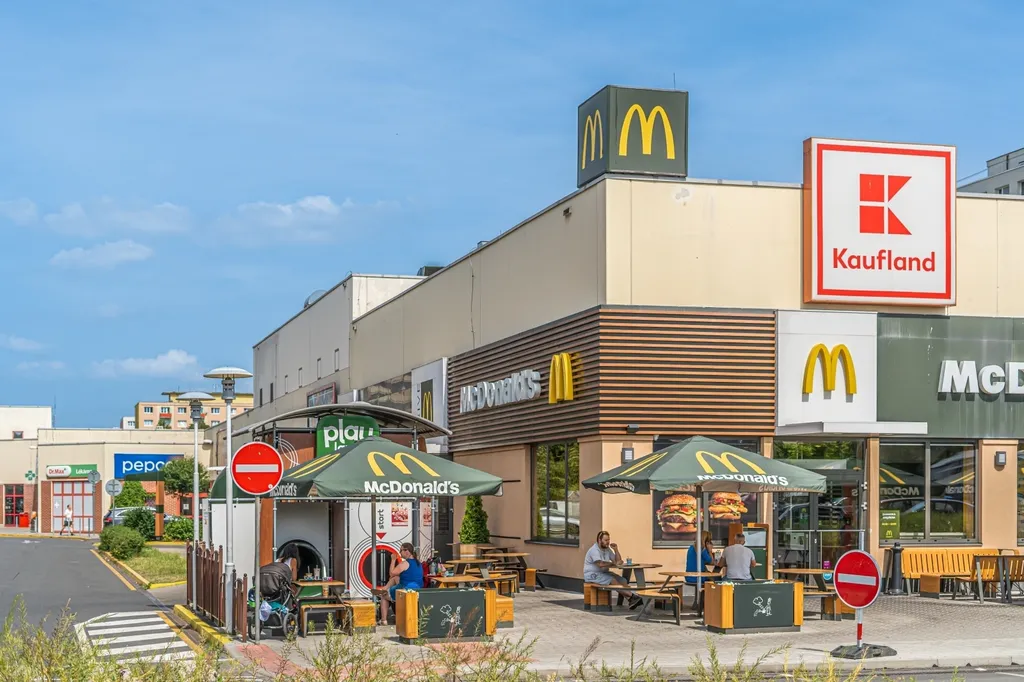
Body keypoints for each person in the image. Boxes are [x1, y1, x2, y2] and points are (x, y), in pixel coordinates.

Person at [584, 530, 641, 609]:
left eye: (609, 540)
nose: (608, 542)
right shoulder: (594, 550)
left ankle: (631, 600)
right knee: (612, 580)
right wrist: (614, 564)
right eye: (606, 540)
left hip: (604, 573)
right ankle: (632, 596)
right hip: (592, 574)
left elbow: (617, 561)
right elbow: (600, 564)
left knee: (623, 580)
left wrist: (616, 550)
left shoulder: (607, 549)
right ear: (599, 540)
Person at [376, 543, 424, 625]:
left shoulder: (405, 563)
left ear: (407, 551)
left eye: (401, 550)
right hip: (417, 589)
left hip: (406, 590)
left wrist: (393, 560)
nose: (399, 552)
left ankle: (383, 620)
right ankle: (384, 589)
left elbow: (391, 573)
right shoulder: (418, 563)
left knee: (383, 596)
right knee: (396, 578)